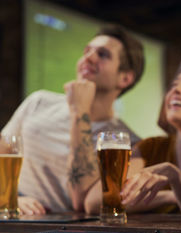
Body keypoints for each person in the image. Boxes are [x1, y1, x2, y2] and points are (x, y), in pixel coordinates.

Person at [1, 25, 144, 214]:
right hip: (11, 216)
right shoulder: (39, 101)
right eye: (87, 51)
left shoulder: (128, 144)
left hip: (60, 232)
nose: (88, 58)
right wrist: (10, 199)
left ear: (125, 78)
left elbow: (80, 201)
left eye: (102, 54)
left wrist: (80, 111)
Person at [83, 60, 181, 215]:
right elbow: (96, 202)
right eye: (173, 85)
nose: (176, 90)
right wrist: (171, 195)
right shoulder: (152, 147)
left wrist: (173, 178)